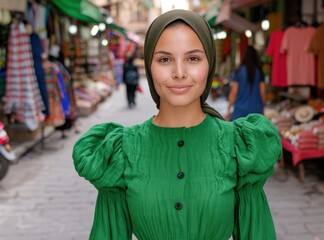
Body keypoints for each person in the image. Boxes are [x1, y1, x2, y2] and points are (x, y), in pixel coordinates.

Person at [73, 9, 281, 240]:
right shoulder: (122, 151)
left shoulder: (239, 147)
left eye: (193, 58)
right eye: (164, 59)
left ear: (209, 64)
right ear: (150, 67)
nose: (179, 73)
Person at [225, 46, 266, 121]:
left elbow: (234, 92)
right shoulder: (259, 72)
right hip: (256, 112)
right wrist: (262, 108)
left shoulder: (238, 72)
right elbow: (262, 93)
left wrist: (228, 109)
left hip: (240, 112)